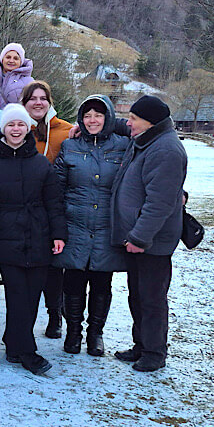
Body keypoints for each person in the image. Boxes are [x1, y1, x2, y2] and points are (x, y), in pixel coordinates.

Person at [0, 104, 67, 375]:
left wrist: (59, 233)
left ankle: (12, 344)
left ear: (28, 128)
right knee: (17, 293)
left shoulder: (41, 163)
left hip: (39, 234)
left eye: (21, 125)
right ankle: (28, 352)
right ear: (4, 129)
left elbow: (54, 201)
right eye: (11, 125)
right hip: (5, 234)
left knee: (32, 295)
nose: (16, 129)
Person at [111, 94, 188, 373]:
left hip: (152, 241)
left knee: (152, 298)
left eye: (133, 119)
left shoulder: (165, 150)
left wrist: (140, 238)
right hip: (139, 238)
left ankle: (155, 352)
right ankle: (142, 345)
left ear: (149, 122)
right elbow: (119, 125)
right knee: (138, 295)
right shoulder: (149, 139)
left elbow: (160, 202)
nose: (128, 123)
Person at [53, 96, 129, 357]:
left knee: (101, 284)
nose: (92, 120)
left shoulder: (123, 146)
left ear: (107, 117)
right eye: (87, 116)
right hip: (75, 224)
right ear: (80, 120)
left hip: (107, 227)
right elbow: (57, 187)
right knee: (72, 283)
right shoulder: (70, 146)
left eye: (98, 115)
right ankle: (73, 332)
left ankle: (95, 334)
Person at [19, 80, 76, 339]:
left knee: (53, 266)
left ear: (49, 101)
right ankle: (22, 320)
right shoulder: (16, 126)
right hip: (22, 205)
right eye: (33, 98)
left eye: (43, 98)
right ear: (25, 102)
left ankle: (55, 315)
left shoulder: (64, 130)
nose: (38, 102)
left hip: (53, 204)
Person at [0, 43, 35, 108]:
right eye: (8, 57)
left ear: (21, 62)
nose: (11, 61)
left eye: (16, 58)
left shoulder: (29, 82)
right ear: (2, 59)